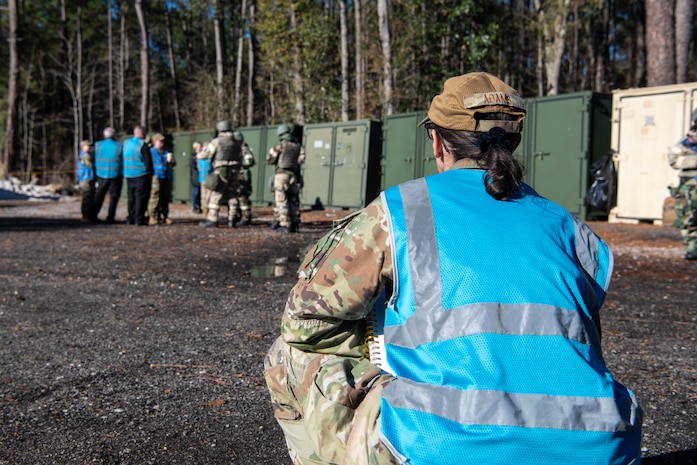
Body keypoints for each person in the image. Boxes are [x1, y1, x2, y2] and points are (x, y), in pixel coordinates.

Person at [264, 72, 643, 465]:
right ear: (512, 141)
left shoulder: (401, 211)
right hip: (600, 446)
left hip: (441, 446)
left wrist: (375, 353)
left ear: (438, 141)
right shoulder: (570, 226)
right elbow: (585, 336)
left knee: (285, 354)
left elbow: (304, 322)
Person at [198, 121, 243, 228]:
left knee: (216, 194)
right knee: (232, 194)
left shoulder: (217, 141)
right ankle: (232, 219)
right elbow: (240, 158)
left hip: (221, 171)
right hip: (234, 171)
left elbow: (206, 154)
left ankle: (212, 219)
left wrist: (200, 154)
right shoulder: (236, 143)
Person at [667, 118, 697, 260]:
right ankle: (692, 248)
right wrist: (692, 161)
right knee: (688, 217)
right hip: (688, 184)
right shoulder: (686, 143)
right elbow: (672, 159)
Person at [266, 124, 305, 233]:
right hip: (293, 175)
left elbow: (270, 159)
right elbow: (301, 160)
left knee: (281, 199)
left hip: (281, 174)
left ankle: (284, 224)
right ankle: (294, 223)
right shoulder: (298, 146)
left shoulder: (279, 146)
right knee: (292, 199)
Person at [92, 126, 124, 223]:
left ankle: (93, 214)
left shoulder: (97, 145)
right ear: (113, 135)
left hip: (101, 173)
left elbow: (92, 159)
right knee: (114, 197)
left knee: (99, 195)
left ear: (104, 135)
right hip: (116, 174)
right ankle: (111, 216)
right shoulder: (119, 146)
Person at [123, 125, 154, 226]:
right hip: (141, 174)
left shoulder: (126, 143)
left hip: (128, 174)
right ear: (141, 133)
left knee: (131, 197)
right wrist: (150, 174)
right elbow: (148, 162)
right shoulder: (142, 145)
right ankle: (139, 219)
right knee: (140, 198)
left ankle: (130, 218)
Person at [147, 133, 175, 225]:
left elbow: (173, 164)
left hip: (166, 176)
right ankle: (152, 216)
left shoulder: (166, 152)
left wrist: (171, 161)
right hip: (156, 176)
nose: (162, 143)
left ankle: (165, 216)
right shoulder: (151, 152)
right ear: (155, 142)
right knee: (155, 196)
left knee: (165, 197)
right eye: (160, 141)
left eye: (163, 141)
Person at [233, 131, 255, 226]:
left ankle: (246, 218)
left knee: (243, 197)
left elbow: (249, 161)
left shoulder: (243, 149)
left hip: (242, 175)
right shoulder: (235, 148)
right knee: (236, 196)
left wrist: (240, 164)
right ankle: (237, 216)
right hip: (237, 175)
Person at [77, 140, 97, 223]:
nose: (89, 147)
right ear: (83, 146)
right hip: (85, 178)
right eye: (87, 146)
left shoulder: (87, 154)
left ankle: (90, 215)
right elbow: (90, 164)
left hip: (89, 177)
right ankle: (85, 216)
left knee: (90, 197)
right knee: (86, 197)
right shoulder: (85, 155)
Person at [190, 141, 202, 213]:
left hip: (202, 176)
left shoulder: (202, 155)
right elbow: (192, 166)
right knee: (196, 192)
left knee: (200, 193)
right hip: (196, 177)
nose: (201, 148)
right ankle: (194, 207)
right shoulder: (193, 156)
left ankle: (199, 206)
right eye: (200, 146)